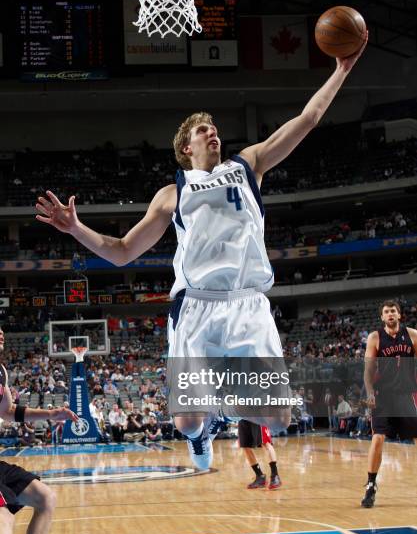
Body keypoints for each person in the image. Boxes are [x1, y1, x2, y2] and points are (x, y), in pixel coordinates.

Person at [35, 37, 367, 470]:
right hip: (198, 308)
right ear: (186, 148)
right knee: (188, 421)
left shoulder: (248, 167)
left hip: (248, 305)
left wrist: (340, 70)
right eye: (201, 129)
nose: (213, 131)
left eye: (214, 127)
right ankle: (205, 425)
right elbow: (120, 253)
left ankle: (225, 410)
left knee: (280, 418)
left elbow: (308, 118)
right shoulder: (172, 193)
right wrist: (75, 227)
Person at [0, 327, 77, 534]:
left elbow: (9, 411)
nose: (0, 333)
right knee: (3, 515)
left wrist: (51, 413)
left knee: (46, 498)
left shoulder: (0, 372)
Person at [361, 300, 417, 508]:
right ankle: (371, 485)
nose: (390, 314)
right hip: (382, 395)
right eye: (386, 312)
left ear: (399, 315)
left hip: (406, 395)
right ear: (382, 317)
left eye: (393, 311)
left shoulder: (412, 335)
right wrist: (369, 393)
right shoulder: (375, 337)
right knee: (377, 439)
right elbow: (368, 370)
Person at [238, 420, 281, 490]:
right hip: (242, 415)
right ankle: (260, 476)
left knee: (265, 442)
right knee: (245, 446)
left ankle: (275, 476)